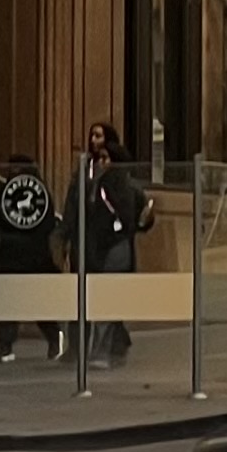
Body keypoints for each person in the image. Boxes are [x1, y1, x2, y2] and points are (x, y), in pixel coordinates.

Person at [56, 124, 153, 369]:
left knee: (106, 301)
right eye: (92, 135)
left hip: (113, 247)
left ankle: (103, 351)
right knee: (86, 299)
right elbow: (74, 209)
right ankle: (84, 348)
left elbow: (137, 216)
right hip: (89, 244)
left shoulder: (121, 184)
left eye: (99, 136)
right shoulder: (86, 176)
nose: (94, 141)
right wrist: (66, 237)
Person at [0, 155, 63, 363]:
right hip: (24, 255)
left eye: (16, 168)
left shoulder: (13, 192)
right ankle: (9, 345)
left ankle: (49, 338)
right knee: (13, 303)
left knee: (27, 302)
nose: (13, 172)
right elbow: (47, 223)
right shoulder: (35, 192)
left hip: (23, 255)